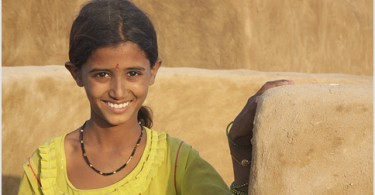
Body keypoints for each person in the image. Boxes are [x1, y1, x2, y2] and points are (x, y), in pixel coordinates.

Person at [17, 0, 293, 194]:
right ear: (76, 73)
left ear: (153, 71)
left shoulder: (174, 162)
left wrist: (240, 146)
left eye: (133, 73)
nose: (118, 90)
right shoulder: (46, 168)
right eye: (101, 75)